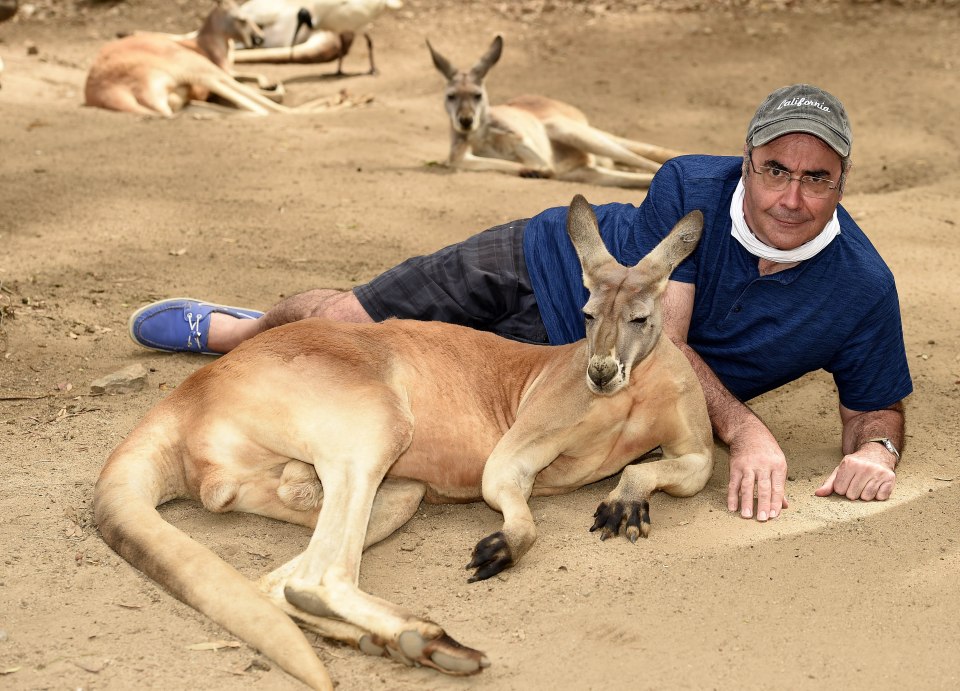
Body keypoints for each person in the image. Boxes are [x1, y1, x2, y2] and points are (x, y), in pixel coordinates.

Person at [129, 84, 912, 523]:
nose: (792, 195)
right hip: (541, 269)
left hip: (566, 372)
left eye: (818, 178)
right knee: (336, 325)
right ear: (747, 163)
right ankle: (238, 331)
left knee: (442, 426)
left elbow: (876, 407)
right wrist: (747, 431)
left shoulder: (861, 286)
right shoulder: (691, 189)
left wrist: (875, 452)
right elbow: (658, 346)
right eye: (776, 169)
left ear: (844, 182)